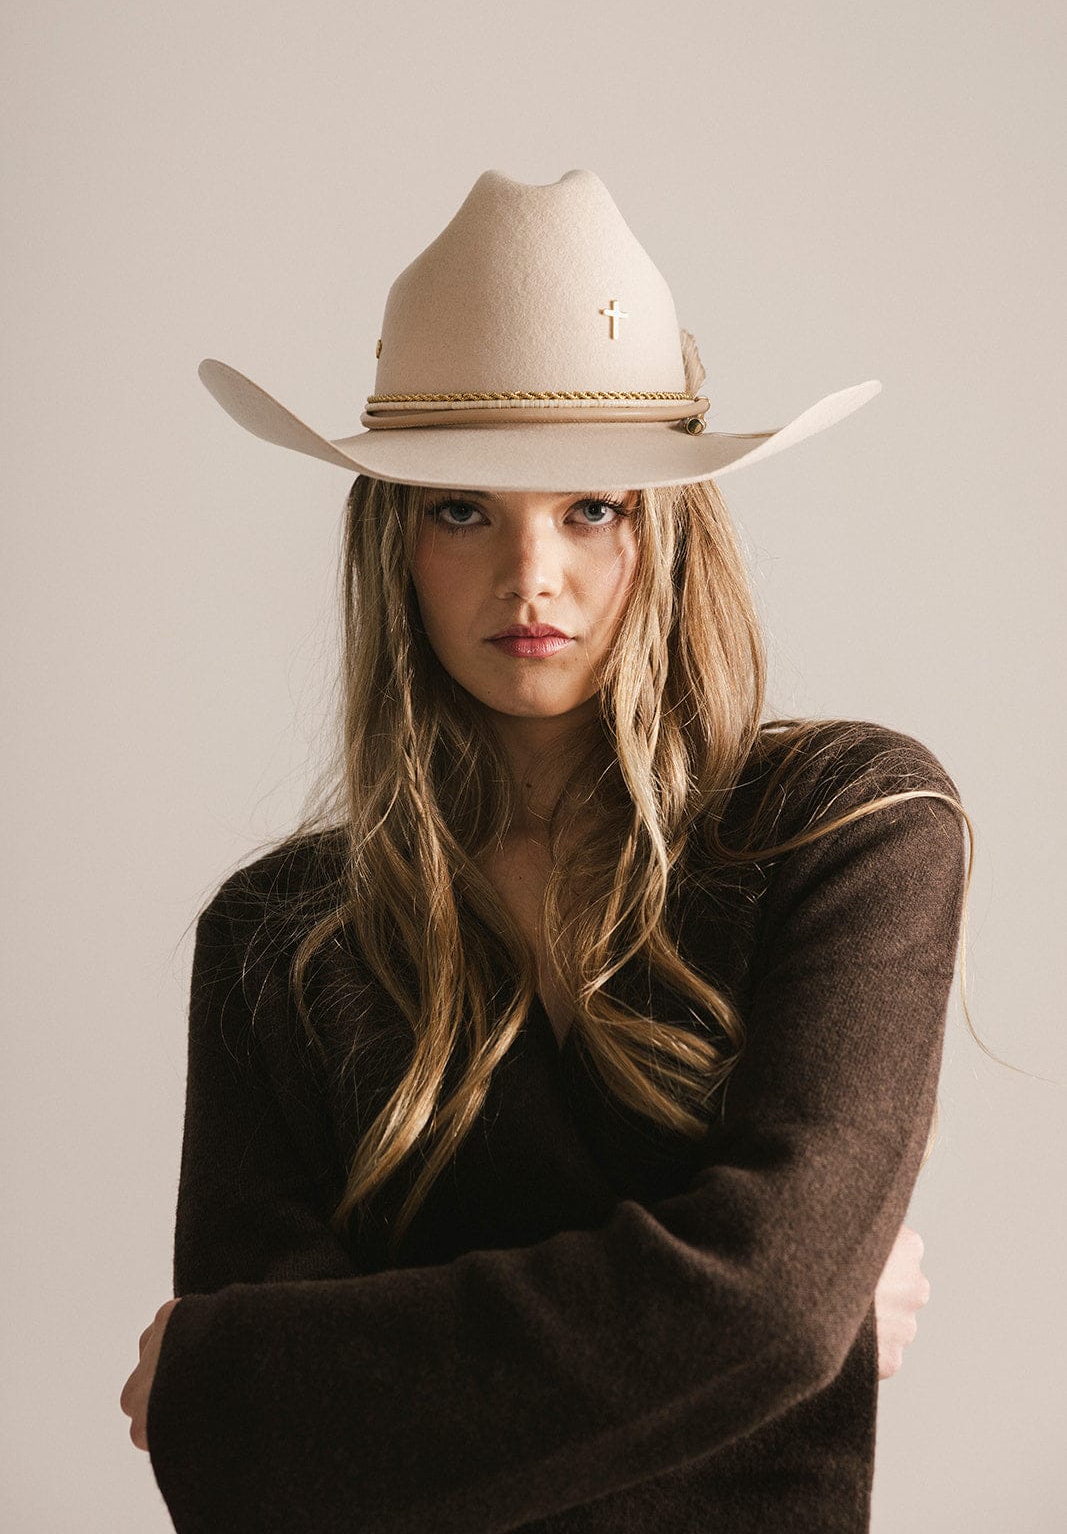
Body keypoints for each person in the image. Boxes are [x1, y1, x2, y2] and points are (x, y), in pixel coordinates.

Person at [120, 169, 973, 1533]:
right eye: (465, 509)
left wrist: (776, 1324)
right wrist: (758, 1350)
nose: (532, 576)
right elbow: (250, 1473)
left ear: (674, 531)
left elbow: (768, 1307)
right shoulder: (277, 939)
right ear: (392, 543)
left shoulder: (851, 828)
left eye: (593, 508)